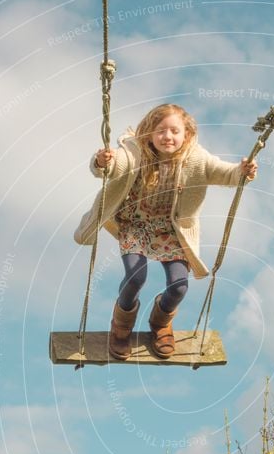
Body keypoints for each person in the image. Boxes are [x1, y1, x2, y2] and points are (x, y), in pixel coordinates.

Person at [75, 103, 257, 360]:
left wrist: (242, 172)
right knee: (135, 278)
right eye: (160, 131)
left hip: (170, 230)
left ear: (187, 135)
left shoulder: (196, 159)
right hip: (135, 225)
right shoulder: (135, 152)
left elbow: (224, 172)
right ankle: (122, 326)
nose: (167, 137)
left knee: (180, 285)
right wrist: (102, 162)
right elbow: (115, 165)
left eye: (174, 131)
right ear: (149, 133)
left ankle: (160, 323)